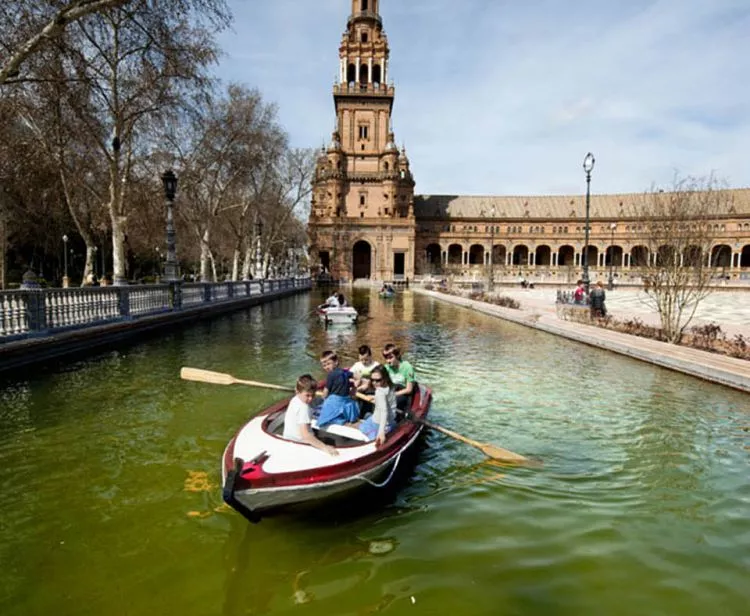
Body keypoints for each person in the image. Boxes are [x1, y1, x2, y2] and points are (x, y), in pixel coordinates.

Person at [282, 375, 339, 456]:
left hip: (288, 438)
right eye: (307, 395)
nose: (310, 398)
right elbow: (305, 435)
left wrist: (322, 398)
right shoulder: (303, 408)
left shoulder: (295, 399)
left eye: (313, 395)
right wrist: (325, 448)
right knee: (332, 441)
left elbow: (314, 401)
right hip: (302, 443)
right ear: (297, 392)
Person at [355, 366, 397, 446]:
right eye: (372, 380)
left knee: (359, 426)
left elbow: (384, 412)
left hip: (379, 423)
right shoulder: (390, 386)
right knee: (366, 418)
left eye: (378, 380)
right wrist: (375, 398)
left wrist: (381, 433)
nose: (374, 383)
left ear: (385, 378)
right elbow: (387, 400)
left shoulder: (379, 392)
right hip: (390, 422)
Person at [317, 350, 360, 428]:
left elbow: (325, 393)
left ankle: (336, 420)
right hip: (346, 402)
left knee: (323, 405)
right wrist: (354, 387)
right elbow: (358, 377)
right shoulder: (345, 372)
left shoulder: (331, 375)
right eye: (324, 365)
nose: (326, 367)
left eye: (328, 364)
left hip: (336, 403)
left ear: (336, 362)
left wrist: (321, 399)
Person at [381, 343, 417, 411]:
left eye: (391, 358)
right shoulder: (386, 367)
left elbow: (409, 390)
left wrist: (393, 395)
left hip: (404, 393)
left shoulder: (407, 367)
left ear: (397, 356)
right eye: (386, 358)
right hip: (392, 389)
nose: (388, 361)